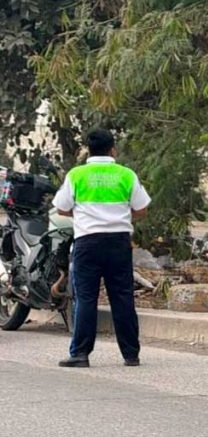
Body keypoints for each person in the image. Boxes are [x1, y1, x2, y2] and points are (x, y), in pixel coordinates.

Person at [53, 128, 151, 368]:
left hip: (88, 242)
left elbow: (62, 208)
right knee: (123, 297)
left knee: (86, 298)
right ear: (113, 149)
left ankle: (80, 354)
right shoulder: (125, 175)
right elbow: (141, 209)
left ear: (89, 149)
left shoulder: (77, 175)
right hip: (118, 242)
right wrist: (118, 216)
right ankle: (131, 355)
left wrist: (85, 213)